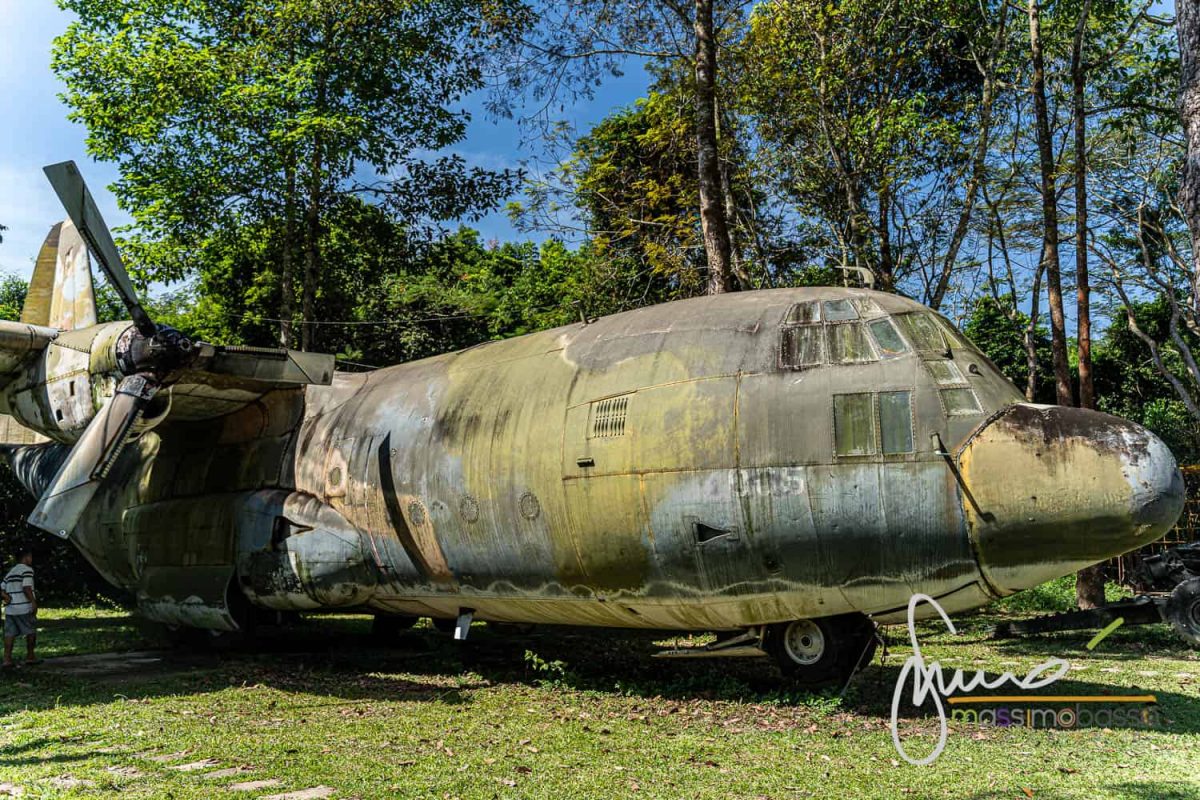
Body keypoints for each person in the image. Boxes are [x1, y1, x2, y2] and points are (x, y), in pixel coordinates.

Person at [2, 548, 38, 668]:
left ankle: (7, 659)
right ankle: (30, 656)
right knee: (31, 631)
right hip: (24, 607)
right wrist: (33, 602)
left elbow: (1, 588)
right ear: (26, 557)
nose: (31, 559)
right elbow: (26, 587)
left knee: (9, 634)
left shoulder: (11, 571)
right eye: (30, 557)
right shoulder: (27, 570)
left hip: (10, 609)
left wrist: (7, 597)